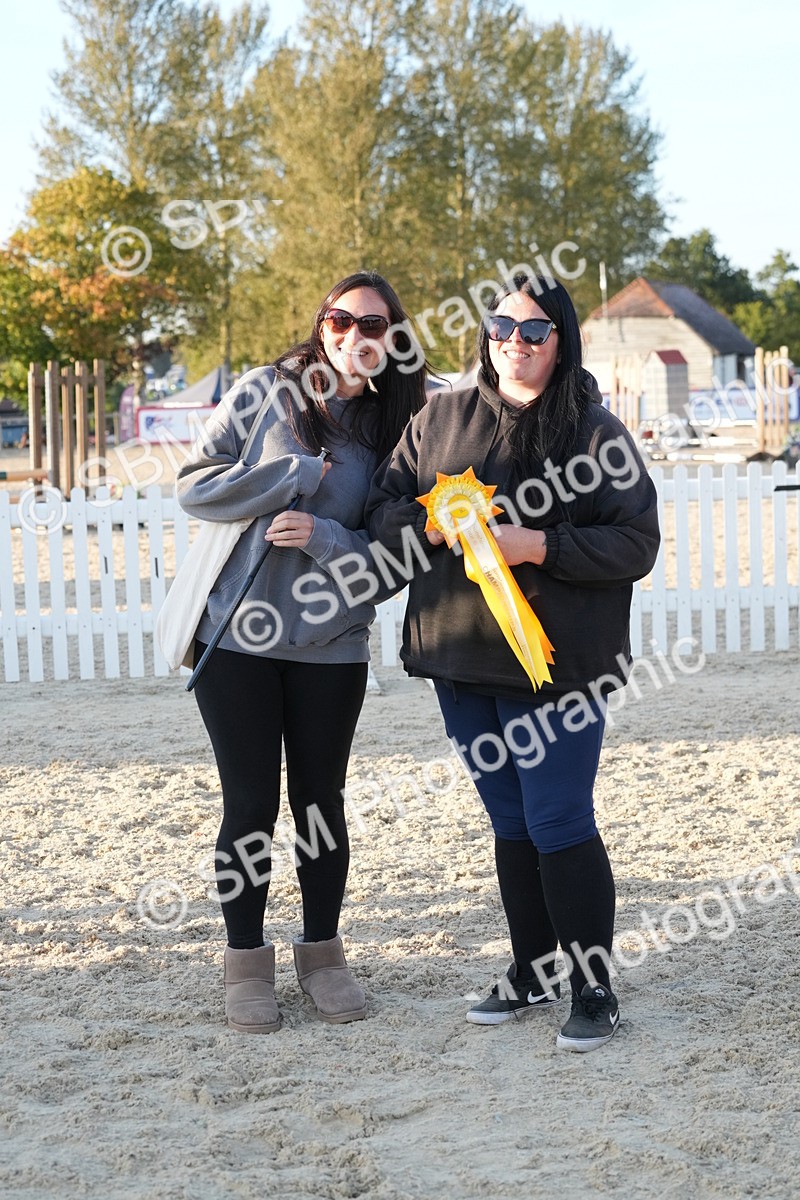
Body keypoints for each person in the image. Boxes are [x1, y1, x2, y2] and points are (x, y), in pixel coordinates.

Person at [366, 274, 660, 1052]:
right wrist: (426, 527)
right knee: (509, 821)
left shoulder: (597, 434)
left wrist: (542, 545)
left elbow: (637, 544)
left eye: (535, 331)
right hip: (460, 659)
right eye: (503, 326)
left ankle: (593, 985)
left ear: (562, 341)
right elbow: (383, 504)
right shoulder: (441, 418)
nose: (515, 343)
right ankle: (531, 966)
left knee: (560, 819)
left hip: (560, 668)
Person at [176, 271, 427, 1034]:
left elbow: (396, 561)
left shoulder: (401, 428)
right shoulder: (264, 392)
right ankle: (245, 961)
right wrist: (288, 476)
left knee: (321, 805)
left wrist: (323, 536)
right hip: (237, 639)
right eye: (343, 319)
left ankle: (323, 955)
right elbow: (195, 486)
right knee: (249, 805)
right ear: (323, 325)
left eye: (376, 325)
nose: (358, 336)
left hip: (330, 646)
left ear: (394, 339)